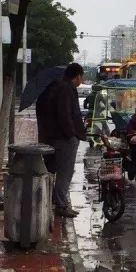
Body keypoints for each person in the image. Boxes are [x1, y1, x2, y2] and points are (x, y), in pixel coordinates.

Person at [37, 63, 88, 216]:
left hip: (48, 137)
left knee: (50, 170)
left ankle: (47, 200)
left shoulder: (52, 88)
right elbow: (65, 115)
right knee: (65, 173)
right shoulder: (66, 89)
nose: (82, 79)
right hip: (64, 139)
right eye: (82, 76)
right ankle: (61, 206)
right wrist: (72, 134)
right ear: (77, 76)